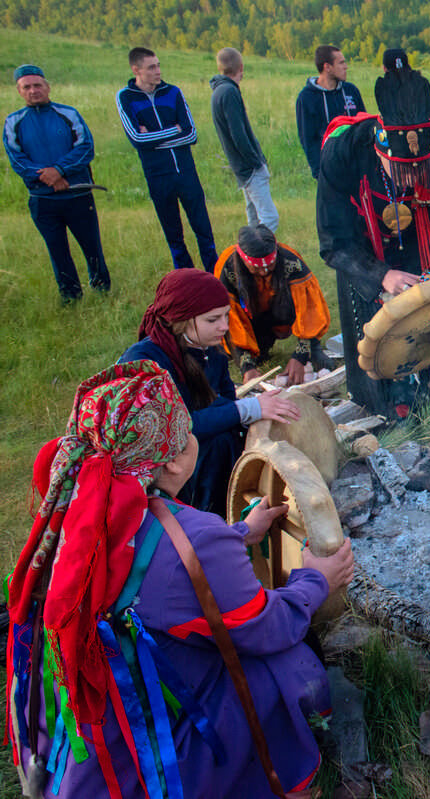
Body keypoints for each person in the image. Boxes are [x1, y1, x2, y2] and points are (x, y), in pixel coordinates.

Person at [6, 360, 355, 798]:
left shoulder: (73, 517)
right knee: (286, 664)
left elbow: (150, 567)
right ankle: (266, 778)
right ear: (172, 461)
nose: (194, 437)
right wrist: (314, 580)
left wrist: (240, 534)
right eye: (187, 430)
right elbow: (265, 627)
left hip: (85, 733)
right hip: (145, 744)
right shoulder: (194, 540)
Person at [317, 55, 430, 421]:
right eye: (401, 169)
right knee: (374, 337)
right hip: (364, 248)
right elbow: (334, 241)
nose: (411, 178)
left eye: (418, 169)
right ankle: (384, 412)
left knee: (429, 318)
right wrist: (380, 275)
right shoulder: (344, 153)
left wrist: (429, 271)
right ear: (380, 148)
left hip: (419, 246)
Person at [120, 268, 300, 514]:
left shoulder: (209, 349)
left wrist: (257, 417)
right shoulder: (145, 362)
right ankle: (205, 516)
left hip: (193, 454)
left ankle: (232, 512)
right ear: (181, 319)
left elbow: (225, 402)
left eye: (226, 316)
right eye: (213, 320)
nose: (224, 326)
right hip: (154, 470)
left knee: (228, 432)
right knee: (219, 441)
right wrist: (248, 408)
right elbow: (175, 428)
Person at [3, 64, 111, 304]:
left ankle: (102, 290)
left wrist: (59, 170)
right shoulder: (14, 122)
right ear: (19, 91)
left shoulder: (68, 113)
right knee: (57, 251)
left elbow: (85, 148)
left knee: (92, 246)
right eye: (27, 87)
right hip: (44, 201)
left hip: (77, 195)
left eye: (37, 85)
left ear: (47, 87)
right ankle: (70, 296)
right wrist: (48, 177)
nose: (33, 91)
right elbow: (17, 160)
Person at [117, 47, 218, 271]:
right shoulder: (125, 97)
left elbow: (191, 134)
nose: (158, 71)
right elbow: (136, 140)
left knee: (203, 228)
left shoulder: (173, 92)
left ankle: (215, 273)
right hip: (158, 176)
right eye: (151, 67)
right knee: (173, 234)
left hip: (186, 172)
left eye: (159, 65)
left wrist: (152, 138)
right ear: (136, 70)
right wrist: (174, 130)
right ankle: (186, 278)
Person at [215, 224, 335, 381]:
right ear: (244, 260)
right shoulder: (227, 268)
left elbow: (309, 309)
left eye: (270, 265)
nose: (264, 272)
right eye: (256, 268)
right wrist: (246, 367)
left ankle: (313, 346)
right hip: (252, 316)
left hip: (282, 311)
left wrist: (300, 356)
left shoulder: (290, 262)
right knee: (241, 352)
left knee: (308, 320)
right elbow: (231, 319)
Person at [211, 47, 278, 232]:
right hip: (248, 167)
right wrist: (255, 162)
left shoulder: (219, 91)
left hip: (241, 166)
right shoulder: (229, 92)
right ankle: (261, 256)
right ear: (241, 67)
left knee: (254, 218)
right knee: (270, 219)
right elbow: (238, 134)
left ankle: (249, 255)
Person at [296, 45, 366, 180]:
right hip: (330, 169)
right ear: (327, 67)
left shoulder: (351, 91)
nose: (346, 66)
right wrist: (319, 173)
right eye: (341, 63)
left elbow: (364, 125)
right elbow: (308, 139)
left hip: (357, 166)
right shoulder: (307, 98)